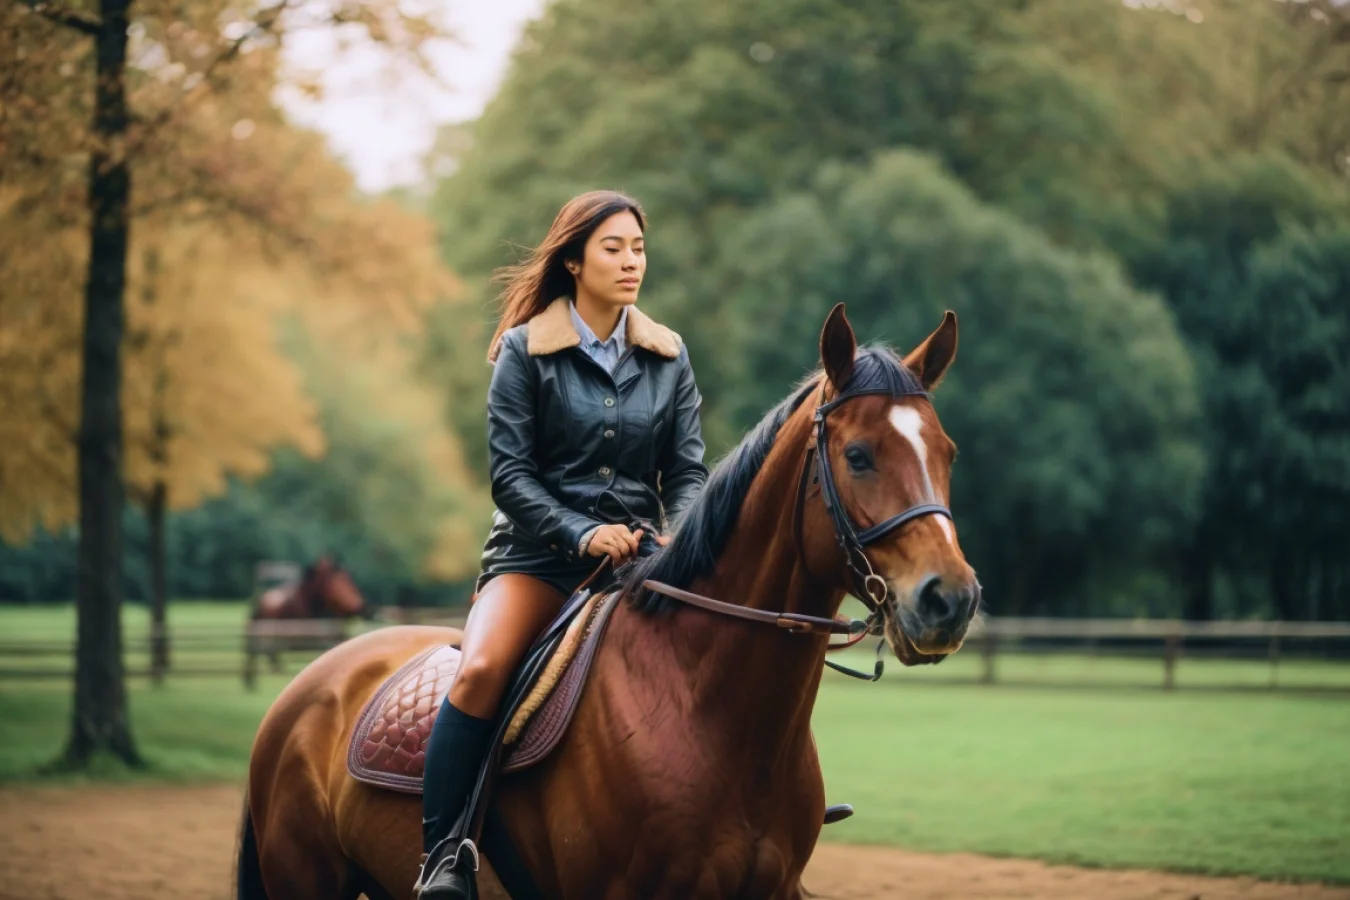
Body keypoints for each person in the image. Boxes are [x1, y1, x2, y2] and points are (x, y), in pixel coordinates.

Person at [417, 191, 709, 898]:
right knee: (483, 667)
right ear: (574, 260)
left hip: (640, 563)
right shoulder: (523, 352)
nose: (631, 261)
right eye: (614, 248)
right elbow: (511, 478)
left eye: (638, 247)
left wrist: (675, 530)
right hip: (534, 560)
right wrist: (580, 532)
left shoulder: (669, 356)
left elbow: (690, 470)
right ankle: (444, 854)